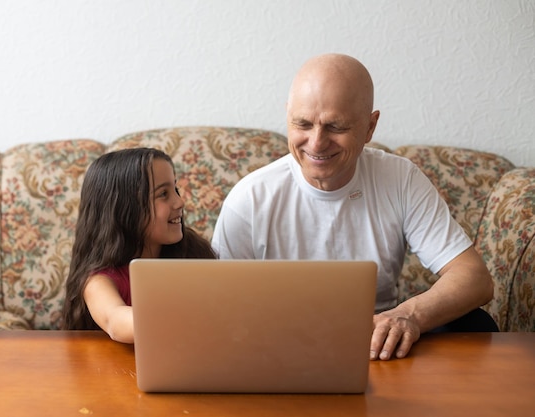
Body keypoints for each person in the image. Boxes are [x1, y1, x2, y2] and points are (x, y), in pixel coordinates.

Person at [211, 53, 495, 360]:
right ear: (287, 117)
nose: (316, 143)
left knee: (475, 323)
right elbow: (216, 307)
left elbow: (474, 279)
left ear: (370, 127)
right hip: (276, 348)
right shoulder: (250, 197)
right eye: (303, 124)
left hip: (374, 347)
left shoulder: (400, 179)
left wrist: (408, 315)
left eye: (336, 127)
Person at [62, 148, 216, 343]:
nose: (179, 202)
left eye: (175, 190)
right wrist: (189, 320)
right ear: (124, 209)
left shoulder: (193, 252)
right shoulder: (99, 280)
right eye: (163, 194)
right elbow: (114, 320)